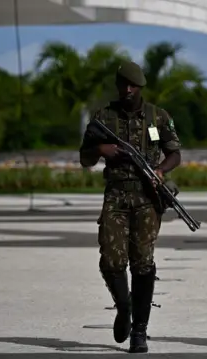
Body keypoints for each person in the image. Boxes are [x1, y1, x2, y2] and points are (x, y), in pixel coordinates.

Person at [78, 60, 182, 354]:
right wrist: (101, 149)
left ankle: (140, 331)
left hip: (148, 198)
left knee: (142, 262)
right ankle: (124, 309)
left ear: (141, 87)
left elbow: (175, 154)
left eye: (132, 86)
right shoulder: (104, 118)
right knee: (111, 260)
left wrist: (161, 171)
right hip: (116, 196)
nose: (127, 90)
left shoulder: (158, 117)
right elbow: (84, 157)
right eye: (123, 85)